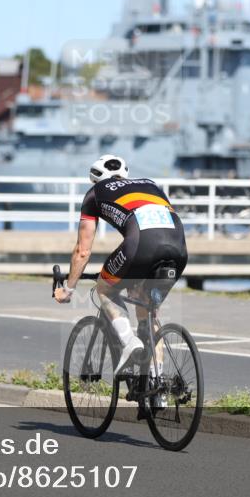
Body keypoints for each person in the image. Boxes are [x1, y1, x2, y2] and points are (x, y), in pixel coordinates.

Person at [53, 154, 188, 375]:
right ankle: (157, 385)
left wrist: (68, 289)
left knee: (104, 288)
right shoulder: (149, 184)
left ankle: (129, 342)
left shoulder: (95, 193)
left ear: (96, 178)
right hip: (178, 247)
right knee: (148, 310)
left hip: (142, 245)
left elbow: (82, 251)